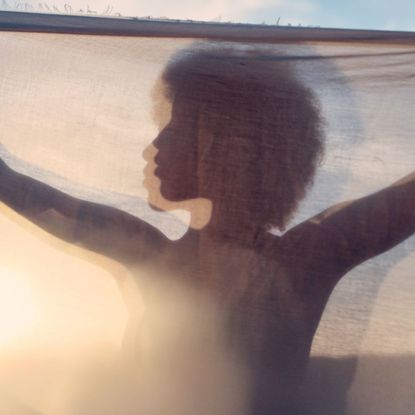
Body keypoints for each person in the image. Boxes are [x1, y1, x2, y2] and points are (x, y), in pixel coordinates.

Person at [0, 45, 414, 414]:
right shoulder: (306, 255)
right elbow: (18, 189)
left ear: (225, 144)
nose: (154, 146)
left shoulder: (305, 256)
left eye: (176, 126)